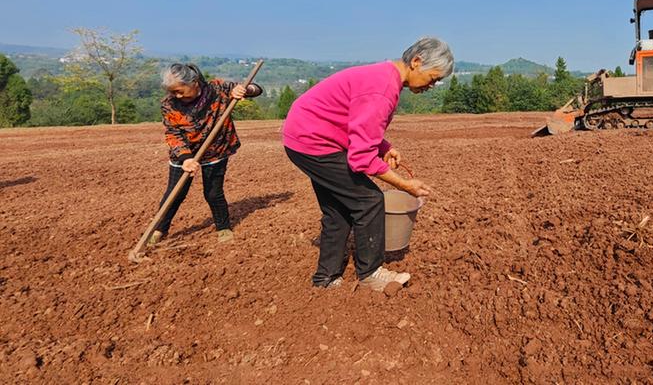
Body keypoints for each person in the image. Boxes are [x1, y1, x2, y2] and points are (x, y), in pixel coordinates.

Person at [283, 37, 453, 292]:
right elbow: (360, 158)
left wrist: (384, 147)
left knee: (337, 208)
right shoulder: (382, 89)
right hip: (314, 142)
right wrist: (406, 185)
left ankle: (325, 278)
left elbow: (359, 124)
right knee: (369, 200)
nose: (432, 86)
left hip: (304, 137)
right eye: (432, 78)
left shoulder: (384, 76)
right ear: (417, 62)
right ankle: (371, 273)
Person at [148, 63, 263, 246]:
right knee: (175, 193)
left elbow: (257, 90)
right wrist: (186, 159)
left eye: (179, 91)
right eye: (172, 92)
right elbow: (173, 132)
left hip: (216, 150)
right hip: (184, 153)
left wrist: (245, 90)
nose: (176, 96)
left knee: (213, 193)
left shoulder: (217, 89)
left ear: (194, 82)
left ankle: (223, 227)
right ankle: (159, 229)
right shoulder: (169, 104)